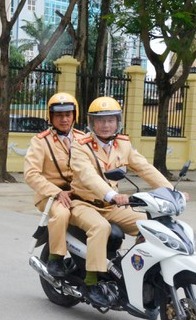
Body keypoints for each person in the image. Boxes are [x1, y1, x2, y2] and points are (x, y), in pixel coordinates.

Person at [69, 96, 174, 307]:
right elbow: (88, 176)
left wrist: (171, 191)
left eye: (110, 119)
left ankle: (132, 270)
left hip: (112, 206)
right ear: (92, 123)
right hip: (83, 203)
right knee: (100, 228)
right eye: (100, 120)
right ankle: (91, 283)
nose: (106, 125)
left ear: (118, 121)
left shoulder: (123, 145)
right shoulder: (80, 146)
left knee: (149, 224)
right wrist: (111, 194)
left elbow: (145, 168)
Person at [23, 93, 86, 277]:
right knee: (62, 214)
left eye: (68, 114)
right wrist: (57, 192)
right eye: (59, 115)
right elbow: (31, 174)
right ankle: (56, 259)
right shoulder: (40, 141)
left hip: (80, 193)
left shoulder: (83, 138)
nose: (64, 119)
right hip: (50, 196)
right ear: (51, 117)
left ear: (75, 115)